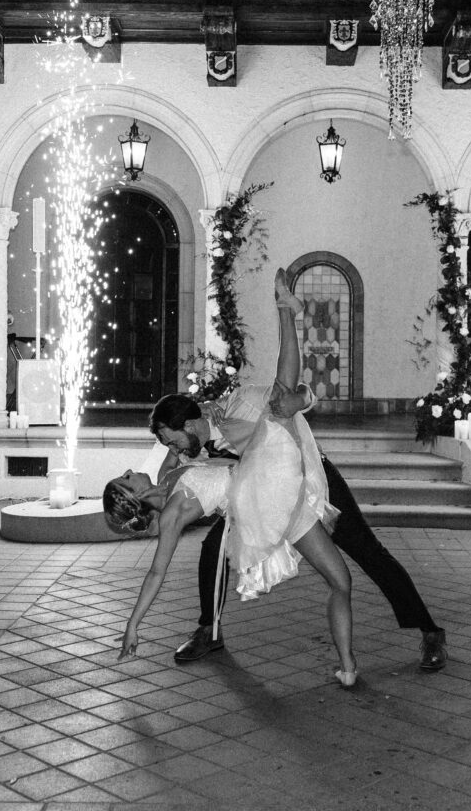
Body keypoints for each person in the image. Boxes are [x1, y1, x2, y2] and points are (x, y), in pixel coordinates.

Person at [149, 296, 448, 675]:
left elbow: (295, 387)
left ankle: (430, 630)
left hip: (311, 477)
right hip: (261, 497)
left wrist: (303, 398)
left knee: (367, 551)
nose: (174, 449)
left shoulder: (239, 404)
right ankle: (209, 629)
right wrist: (164, 471)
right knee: (214, 546)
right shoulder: (193, 441)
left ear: (188, 426)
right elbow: (166, 479)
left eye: (172, 440)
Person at [105, 269, 359, 687]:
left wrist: (221, 411)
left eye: (171, 440)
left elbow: (206, 436)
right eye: (126, 479)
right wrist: (133, 625)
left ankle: (348, 667)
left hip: (268, 486)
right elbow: (156, 573)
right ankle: (287, 327)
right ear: (132, 500)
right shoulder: (172, 511)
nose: (133, 470)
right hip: (260, 496)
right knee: (280, 405)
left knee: (341, 580)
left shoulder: (172, 466)